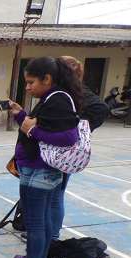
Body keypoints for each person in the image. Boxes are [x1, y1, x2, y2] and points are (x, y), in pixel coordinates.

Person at [0, 57, 82, 258]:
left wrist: (33, 130)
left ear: (47, 79)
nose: (27, 87)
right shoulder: (51, 98)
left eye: (31, 82)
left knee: (35, 223)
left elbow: (68, 137)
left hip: (41, 170)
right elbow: (42, 126)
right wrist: (20, 115)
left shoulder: (58, 99)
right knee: (41, 219)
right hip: (36, 168)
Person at [47, 56, 109, 243]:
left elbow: (101, 108)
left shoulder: (77, 92)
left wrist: (80, 128)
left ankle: (52, 235)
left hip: (64, 152)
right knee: (52, 193)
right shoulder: (63, 91)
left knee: (56, 194)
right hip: (55, 149)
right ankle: (48, 232)